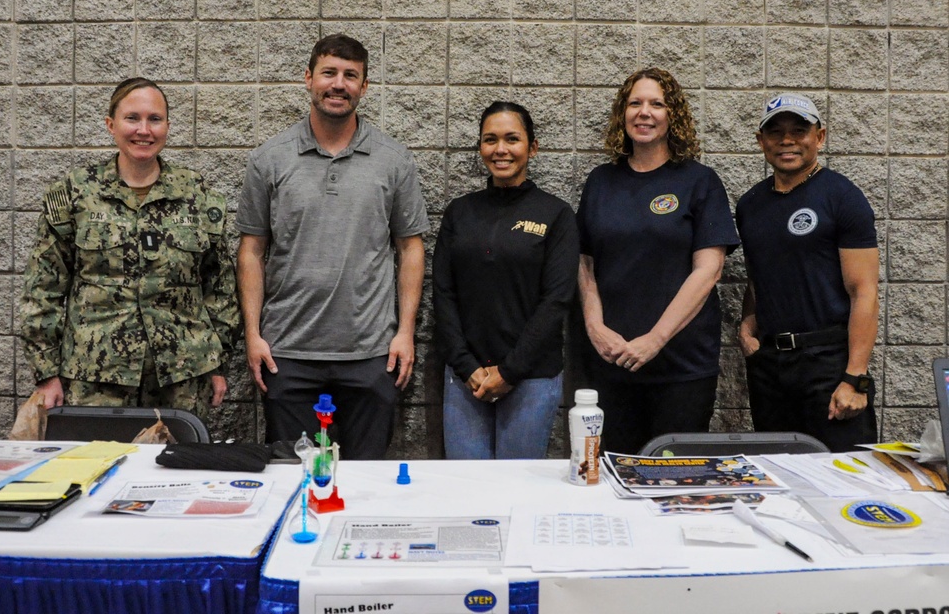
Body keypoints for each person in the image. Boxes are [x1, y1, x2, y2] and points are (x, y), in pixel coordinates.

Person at [236, 34, 429, 459]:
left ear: (365, 86)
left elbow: (410, 248)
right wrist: (253, 334)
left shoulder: (393, 160)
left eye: (350, 75)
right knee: (294, 481)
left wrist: (405, 333)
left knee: (364, 483)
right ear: (308, 79)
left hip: (372, 353)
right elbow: (251, 249)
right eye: (329, 73)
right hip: (286, 353)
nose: (338, 84)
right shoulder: (269, 159)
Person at [20, 77, 239, 419]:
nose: (144, 130)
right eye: (132, 118)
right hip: (96, 379)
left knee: (177, 471)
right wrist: (47, 373)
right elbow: (43, 288)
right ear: (111, 125)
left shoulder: (197, 196)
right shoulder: (76, 195)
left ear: (167, 126)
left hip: (181, 378)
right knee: (99, 469)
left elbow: (221, 285)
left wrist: (216, 360)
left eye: (155, 119)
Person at [576, 67, 739, 454]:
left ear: (673, 115)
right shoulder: (601, 181)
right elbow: (584, 263)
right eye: (635, 103)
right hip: (611, 364)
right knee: (612, 475)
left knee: (673, 482)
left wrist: (655, 340)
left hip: (681, 368)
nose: (644, 112)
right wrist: (595, 326)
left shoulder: (699, 181)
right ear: (622, 113)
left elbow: (709, 270)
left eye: (656, 104)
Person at [433, 102, 579, 459]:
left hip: (531, 378)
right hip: (466, 379)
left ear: (533, 147)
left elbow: (557, 300)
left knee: (519, 493)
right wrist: (467, 366)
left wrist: (510, 371)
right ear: (480, 147)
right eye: (490, 139)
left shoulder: (555, 214)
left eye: (512, 139)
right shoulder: (459, 212)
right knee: (469, 492)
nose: (500, 149)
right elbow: (443, 293)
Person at [737, 93, 879, 452]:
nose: (787, 140)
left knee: (843, 476)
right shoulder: (750, 204)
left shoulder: (842, 197)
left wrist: (855, 378)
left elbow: (864, 291)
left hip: (828, 365)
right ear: (761, 141)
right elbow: (758, 274)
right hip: (769, 367)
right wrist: (748, 321)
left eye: (799, 130)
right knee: (777, 477)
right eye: (776, 132)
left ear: (819, 136)